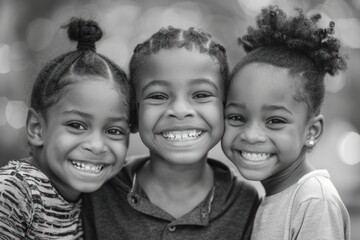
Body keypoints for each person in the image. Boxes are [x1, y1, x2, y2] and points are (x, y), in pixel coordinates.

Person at [81, 26, 259, 240]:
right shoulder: (99, 191)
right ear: (134, 115)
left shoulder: (244, 201)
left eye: (201, 94)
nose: (180, 111)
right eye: (157, 96)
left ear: (226, 109)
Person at [221, 5, 350, 240]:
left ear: (311, 131)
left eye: (275, 121)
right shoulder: (267, 198)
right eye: (237, 118)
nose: (251, 135)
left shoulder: (313, 200)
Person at [0, 18, 134, 239]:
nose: (96, 145)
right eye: (76, 125)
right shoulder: (15, 191)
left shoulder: (96, 195)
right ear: (36, 128)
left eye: (114, 131)